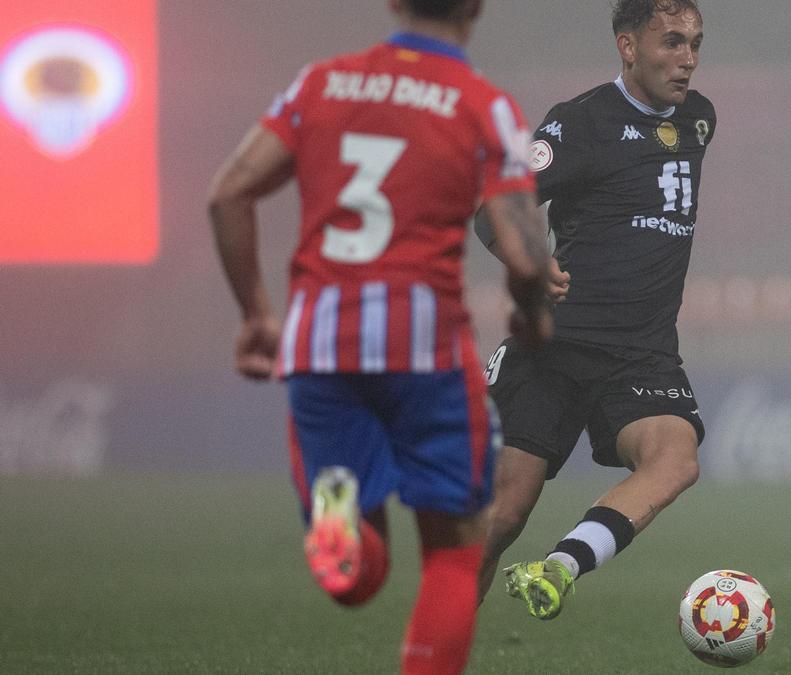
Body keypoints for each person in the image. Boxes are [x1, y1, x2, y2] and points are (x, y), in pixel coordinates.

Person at [206, 1, 552, 672]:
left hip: (320, 344)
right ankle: (350, 532)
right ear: (477, 7)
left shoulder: (320, 84)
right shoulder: (483, 104)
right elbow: (526, 254)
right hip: (426, 349)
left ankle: (343, 525)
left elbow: (228, 194)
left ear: (393, 1)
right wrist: (532, 314)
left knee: (358, 576)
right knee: (453, 550)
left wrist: (255, 311)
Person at [473, 0, 714, 621]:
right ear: (627, 48)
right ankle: (437, 650)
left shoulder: (699, 121)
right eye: (671, 43)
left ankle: (559, 567)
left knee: (676, 459)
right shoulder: (580, 124)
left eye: (694, 43)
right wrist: (528, 263)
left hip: (643, 349)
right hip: (559, 342)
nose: (687, 59)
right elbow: (497, 205)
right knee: (500, 517)